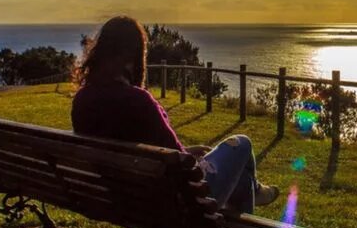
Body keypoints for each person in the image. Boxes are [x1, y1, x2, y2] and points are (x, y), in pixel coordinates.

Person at [71, 16, 279, 213]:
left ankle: (252, 188)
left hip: (129, 201)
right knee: (242, 143)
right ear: (132, 57)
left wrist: (188, 150)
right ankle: (256, 191)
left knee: (241, 180)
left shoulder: (82, 100)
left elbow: (153, 152)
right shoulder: (138, 101)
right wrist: (191, 156)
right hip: (178, 203)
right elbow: (180, 164)